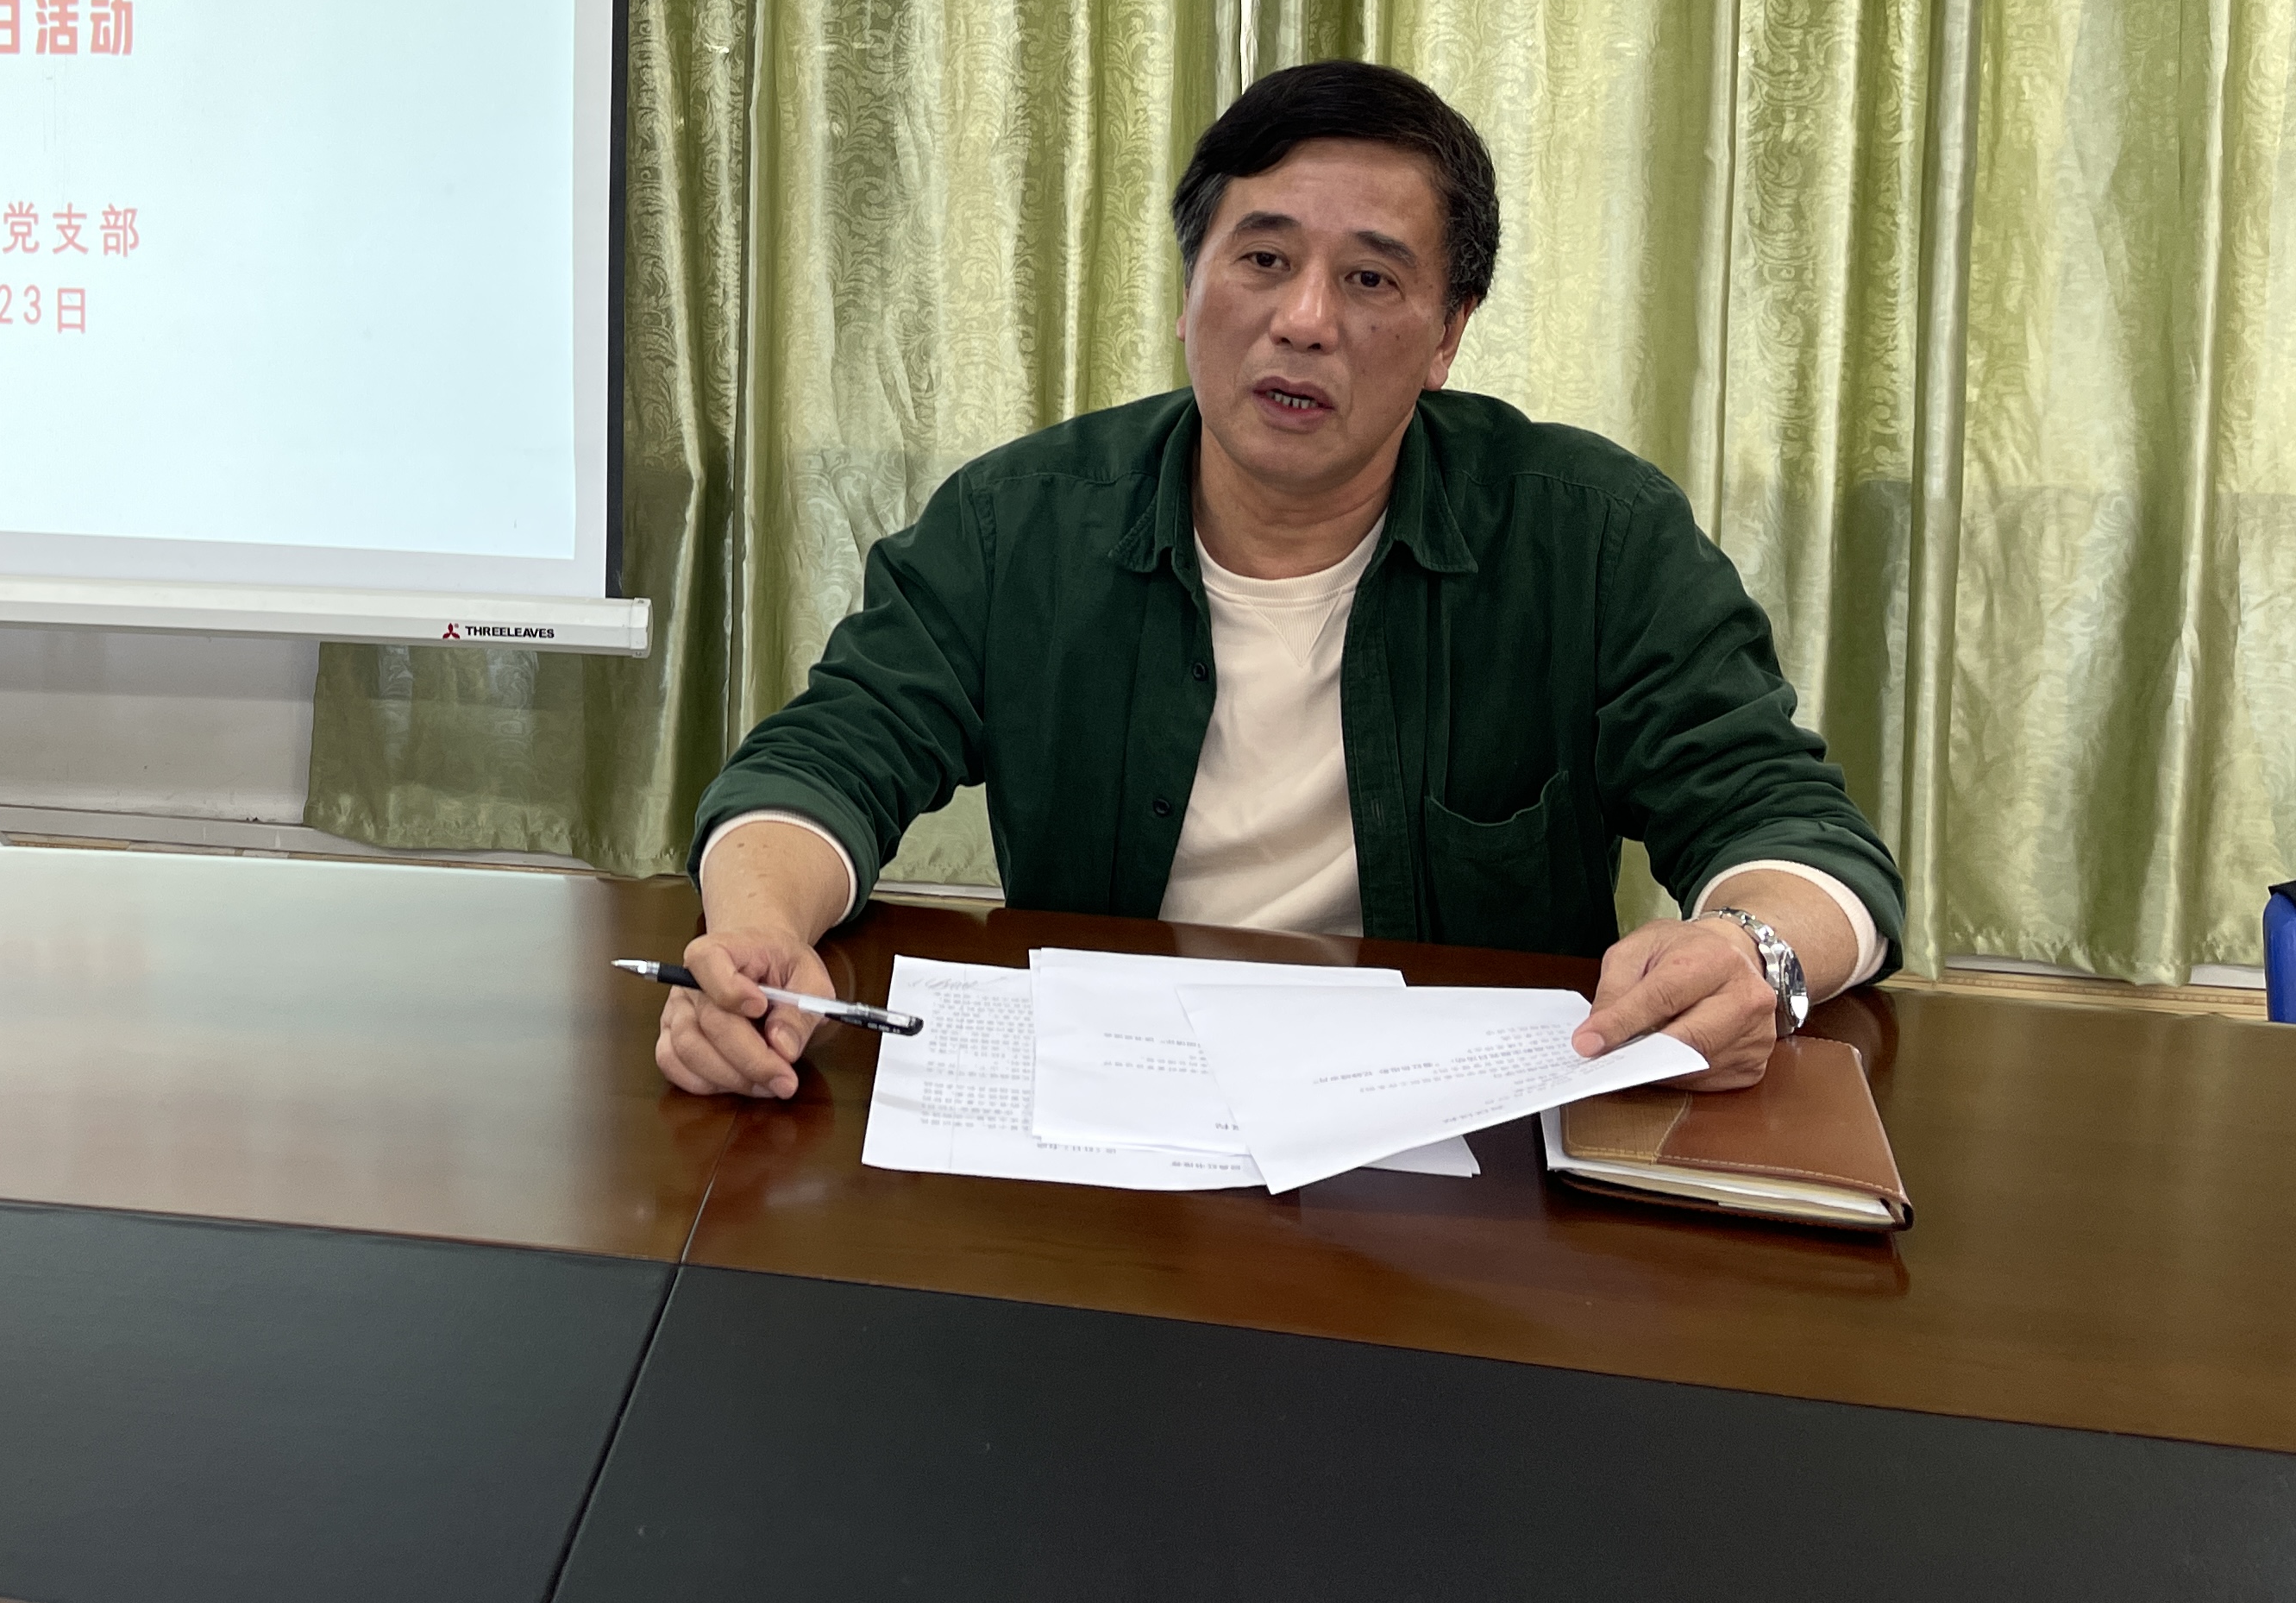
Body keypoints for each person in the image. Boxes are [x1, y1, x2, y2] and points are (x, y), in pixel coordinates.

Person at [660, 60, 1903, 1105]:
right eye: (1261, 258)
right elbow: (826, 758)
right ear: (1191, 286)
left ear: (1449, 333)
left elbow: (1792, 829)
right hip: (1109, 1113)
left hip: (1463, 1155)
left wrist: (1752, 952)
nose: (1304, 320)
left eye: (1370, 279)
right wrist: (757, 933)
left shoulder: (1590, 535)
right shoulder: (1019, 521)